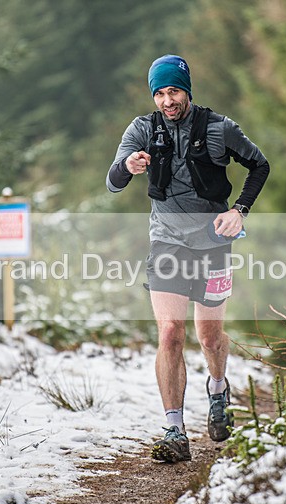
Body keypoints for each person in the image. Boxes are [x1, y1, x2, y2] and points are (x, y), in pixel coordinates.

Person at [106, 54, 270, 463]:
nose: (166, 100)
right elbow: (112, 181)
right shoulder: (142, 129)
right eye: (159, 93)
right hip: (167, 241)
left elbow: (260, 165)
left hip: (214, 243)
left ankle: (218, 389)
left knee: (210, 335)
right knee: (170, 333)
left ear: (187, 91)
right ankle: (174, 430)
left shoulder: (219, 128)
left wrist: (239, 211)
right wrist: (127, 165)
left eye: (173, 91)